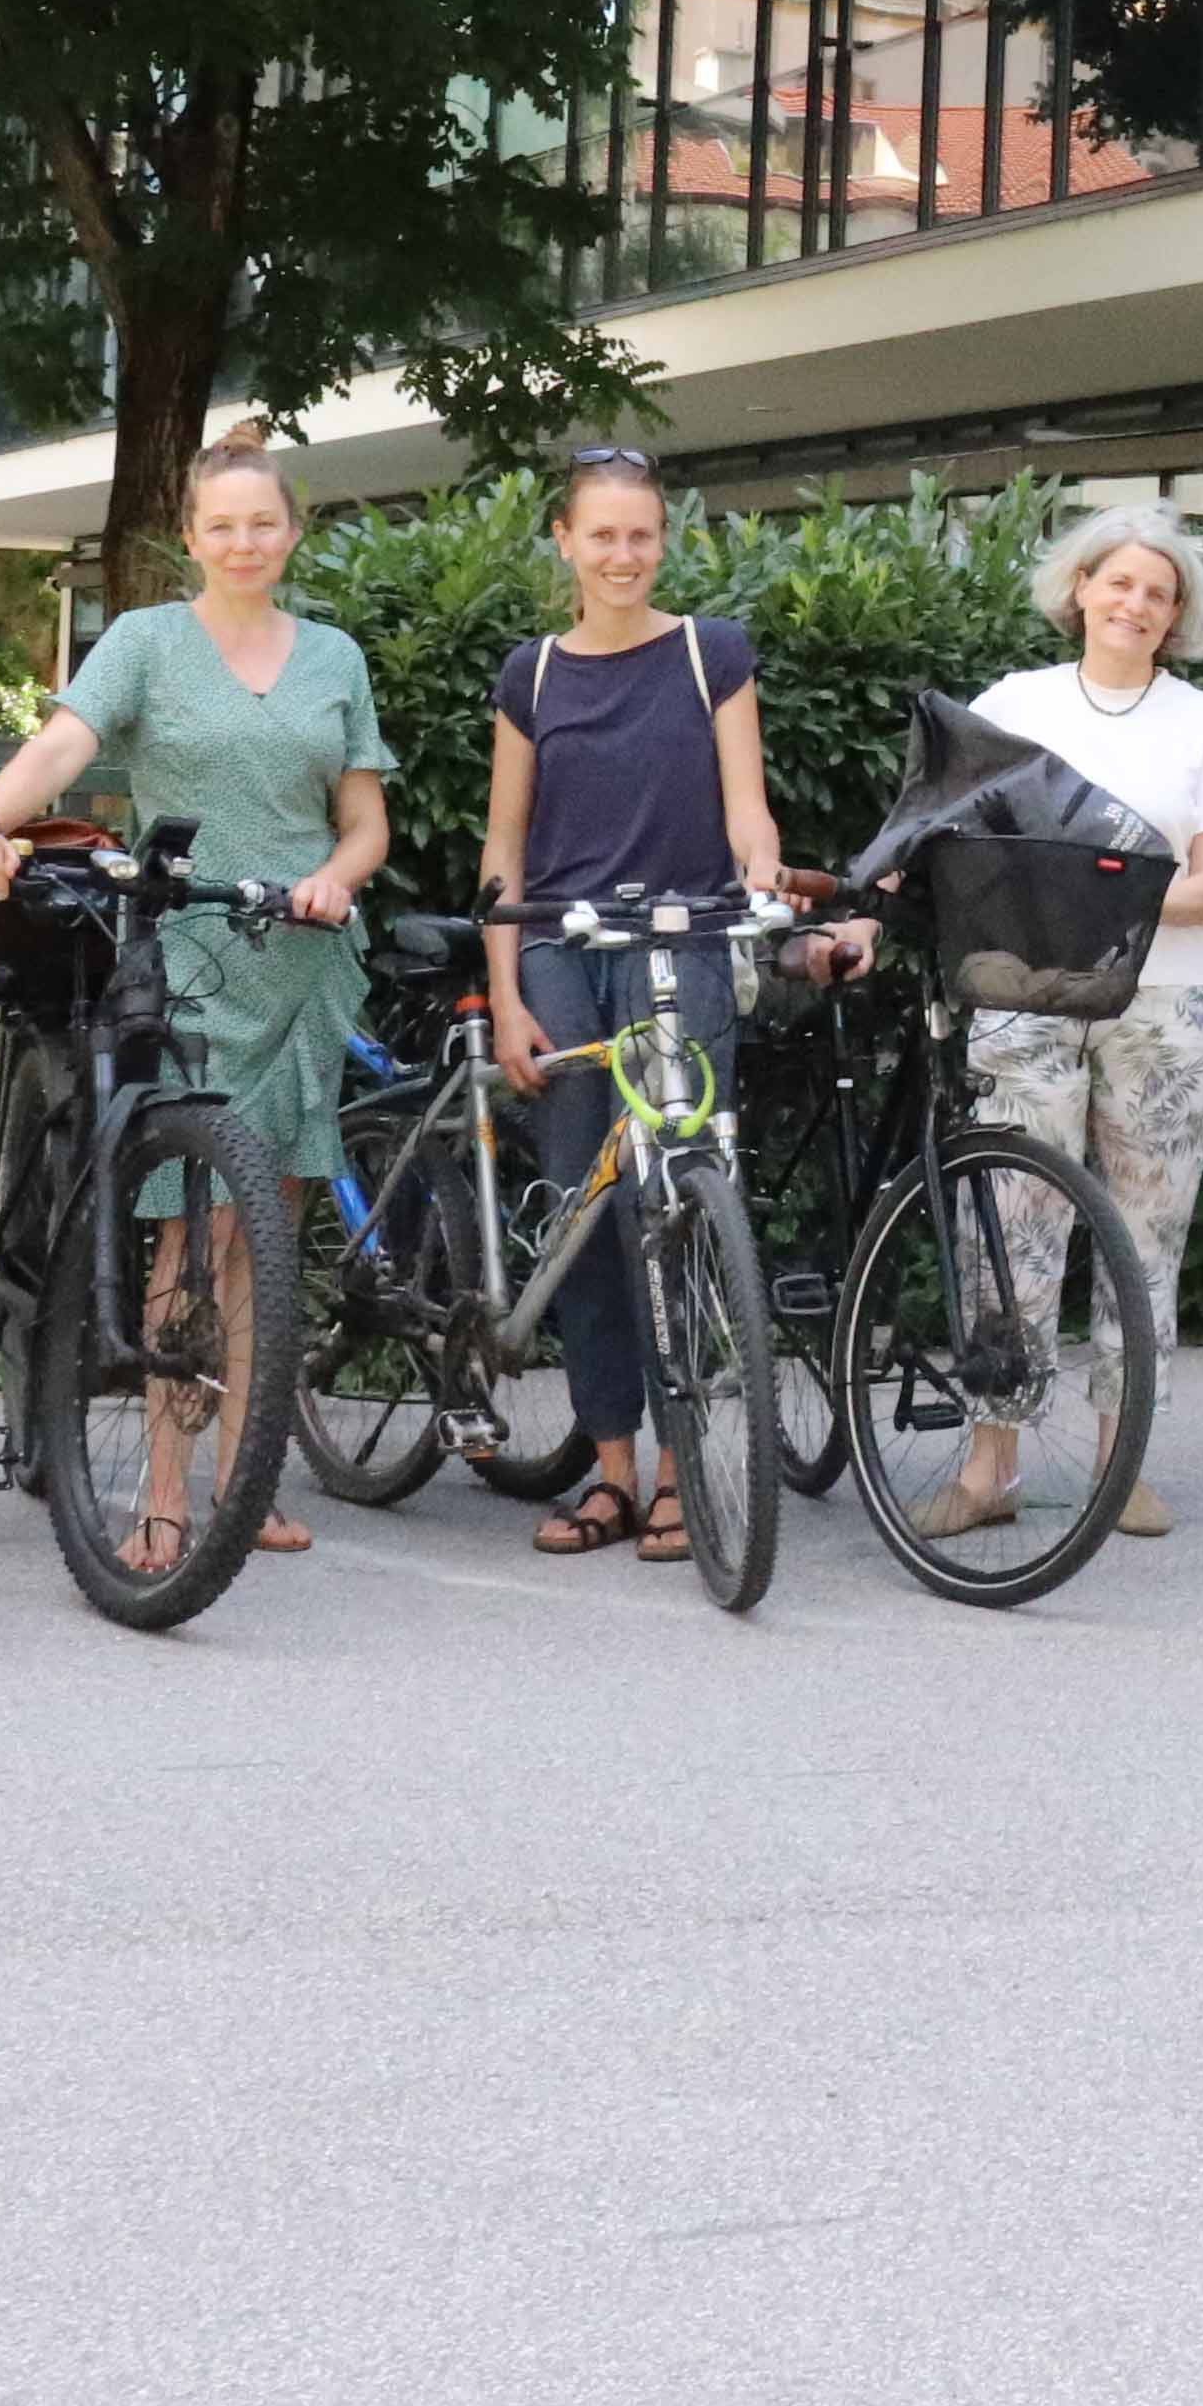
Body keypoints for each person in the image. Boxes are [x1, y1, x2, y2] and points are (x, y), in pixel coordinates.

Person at [0, 422, 390, 1567]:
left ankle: (249, 1477)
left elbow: (364, 818)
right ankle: (166, 1491)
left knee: (270, 1235)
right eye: (221, 523)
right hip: (184, 956)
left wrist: (335, 883)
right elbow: (64, 745)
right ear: (190, 536)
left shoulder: (334, 655)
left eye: (264, 521)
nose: (244, 541)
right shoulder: (144, 639)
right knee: (189, 1228)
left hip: (298, 956)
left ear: (294, 532)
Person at [452, 444, 784, 1567]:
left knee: (678, 1203)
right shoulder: (531, 675)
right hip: (558, 953)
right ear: (565, 542)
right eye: (602, 535)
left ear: (663, 538)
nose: (624, 555)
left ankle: (686, 1471)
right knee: (583, 1213)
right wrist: (505, 991)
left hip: (681, 946)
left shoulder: (710, 654)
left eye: (641, 534)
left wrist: (761, 879)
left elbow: (749, 808)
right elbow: (505, 842)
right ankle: (611, 1468)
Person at [949, 499, 1203, 1542]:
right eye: (1119, 581)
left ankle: (1119, 1467)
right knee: (1008, 1229)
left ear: (1176, 617)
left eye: (1158, 592)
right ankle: (990, 1464)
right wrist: (1103, 894)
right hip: (1025, 1001)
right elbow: (967, 851)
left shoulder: (1202, 722)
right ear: (1079, 587)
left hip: (1162, 1009)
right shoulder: (1013, 705)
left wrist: (1079, 896)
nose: (1136, 603)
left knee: (1145, 1241)